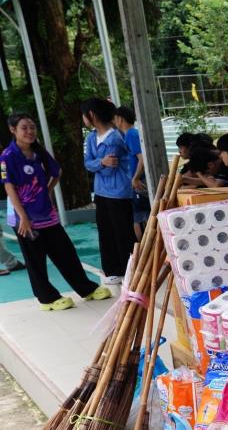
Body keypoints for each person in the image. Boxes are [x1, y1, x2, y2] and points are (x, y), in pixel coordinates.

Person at [2, 112, 110, 310]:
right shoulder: (7, 157)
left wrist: (47, 190)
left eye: (32, 127)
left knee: (65, 251)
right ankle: (47, 299)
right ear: (13, 130)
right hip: (24, 217)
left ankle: (86, 289)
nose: (29, 131)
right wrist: (23, 217)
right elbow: (8, 187)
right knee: (35, 259)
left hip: (46, 213)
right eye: (24, 128)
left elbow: (57, 172)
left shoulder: (38, 151)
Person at [82, 97, 135, 284]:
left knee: (122, 232)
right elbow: (87, 164)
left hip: (118, 192)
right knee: (105, 231)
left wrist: (99, 164)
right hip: (101, 192)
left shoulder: (114, 138)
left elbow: (109, 168)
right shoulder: (91, 137)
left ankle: (129, 270)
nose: (83, 118)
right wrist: (101, 162)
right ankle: (112, 270)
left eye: (84, 115)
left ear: (91, 114)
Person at [114, 105, 149, 238]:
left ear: (121, 119)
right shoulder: (130, 134)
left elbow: (142, 159)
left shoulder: (131, 134)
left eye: (115, 118)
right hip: (137, 180)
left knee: (138, 218)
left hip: (139, 181)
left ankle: (141, 246)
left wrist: (135, 178)